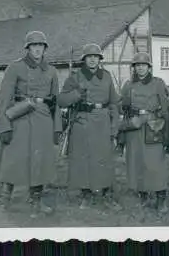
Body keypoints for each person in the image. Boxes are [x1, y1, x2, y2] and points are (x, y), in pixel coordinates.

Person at [0, 31, 62, 219]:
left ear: (45, 48)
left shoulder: (52, 71)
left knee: (39, 162)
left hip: (43, 120)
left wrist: (56, 128)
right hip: (20, 118)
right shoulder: (15, 68)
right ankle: (2, 204)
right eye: (34, 46)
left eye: (41, 46)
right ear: (28, 48)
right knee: (12, 160)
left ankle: (36, 203)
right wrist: (4, 126)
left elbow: (55, 102)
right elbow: (3, 99)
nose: (37, 49)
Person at [57, 43, 122, 211]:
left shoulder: (107, 76)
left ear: (100, 59)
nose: (92, 59)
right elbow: (62, 100)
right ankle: (86, 195)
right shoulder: (75, 77)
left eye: (96, 57)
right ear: (84, 59)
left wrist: (114, 127)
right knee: (83, 159)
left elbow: (114, 103)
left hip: (103, 122)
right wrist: (77, 94)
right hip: (82, 122)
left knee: (103, 159)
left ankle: (105, 195)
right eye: (89, 57)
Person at [119, 52, 169, 213]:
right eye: (137, 65)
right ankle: (144, 196)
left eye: (143, 65)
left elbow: (165, 108)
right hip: (134, 129)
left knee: (155, 164)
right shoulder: (128, 85)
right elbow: (123, 108)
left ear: (149, 67)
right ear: (134, 68)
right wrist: (126, 126)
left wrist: (167, 132)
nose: (140, 68)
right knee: (137, 162)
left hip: (153, 126)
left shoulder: (158, 83)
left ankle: (161, 199)